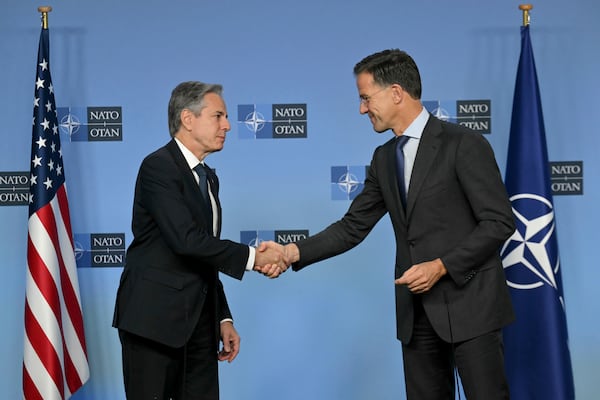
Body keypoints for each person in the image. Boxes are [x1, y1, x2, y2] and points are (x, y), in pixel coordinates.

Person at [276, 49, 516, 399]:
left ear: (396, 93)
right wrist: (291, 251)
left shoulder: (463, 144)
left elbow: (498, 222)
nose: (361, 109)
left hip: (472, 310)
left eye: (365, 98)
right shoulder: (384, 157)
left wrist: (442, 266)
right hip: (416, 318)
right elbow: (352, 226)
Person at [112, 81, 285, 400]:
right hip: (153, 323)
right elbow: (186, 241)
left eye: (227, 117)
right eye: (218, 116)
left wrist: (223, 316)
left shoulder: (209, 178)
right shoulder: (158, 167)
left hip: (199, 327)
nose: (228, 125)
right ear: (187, 119)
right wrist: (255, 258)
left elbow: (205, 254)